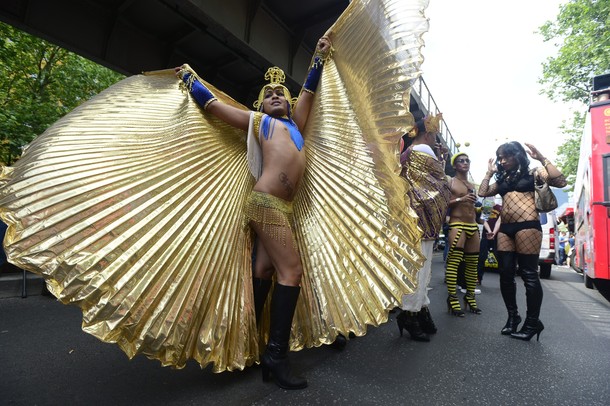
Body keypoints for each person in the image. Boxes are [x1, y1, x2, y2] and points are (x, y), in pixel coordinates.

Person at [176, 35, 332, 389]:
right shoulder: (259, 122)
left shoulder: (296, 127)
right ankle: (275, 357)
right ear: (260, 105)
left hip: (281, 208)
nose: (276, 95)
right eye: (269, 95)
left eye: (282, 94)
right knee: (292, 271)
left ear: (289, 105)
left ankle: (245, 348)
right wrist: (190, 79)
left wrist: (319, 57)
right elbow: (214, 106)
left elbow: (307, 92)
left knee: (263, 271)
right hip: (265, 203)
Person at [478, 141, 567, 341]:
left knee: (529, 274)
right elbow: (482, 192)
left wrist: (542, 157)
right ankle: (513, 317)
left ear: (517, 155)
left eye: (506, 156)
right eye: (500, 157)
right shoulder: (502, 178)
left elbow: (561, 181)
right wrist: (489, 172)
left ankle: (533, 321)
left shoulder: (534, 172)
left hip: (528, 225)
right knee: (505, 274)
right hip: (506, 228)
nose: (502, 160)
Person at [395, 113, 451, 342]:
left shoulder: (407, 153)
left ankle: (419, 309)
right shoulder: (426, 153)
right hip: (423, 217)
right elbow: (439, 186)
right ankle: (410, 313)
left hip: (409, 216)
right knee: (421, 267)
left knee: (414, 266)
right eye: (434, 134)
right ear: (428, 133)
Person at [445, 152, 481, 316]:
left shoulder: (473, 185)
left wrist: (482, 209)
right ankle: (452, 298)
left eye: (467, 160)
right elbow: (443, 202)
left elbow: (474, 207)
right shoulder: (450, 181)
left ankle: (470, 296)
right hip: (457, 223)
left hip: (472, 225)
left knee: (473, 263)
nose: (465, 163)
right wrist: (461, 199)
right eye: (461, 161)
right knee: (454, 262)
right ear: (455, 165)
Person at [477, 203, 502, 285]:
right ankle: (478, 278)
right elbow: (484, 221)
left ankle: (504, 280)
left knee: (500, 257)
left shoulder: (500, 207)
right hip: (486, 235)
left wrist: (494, 233)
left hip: (498, 236)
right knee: (481, 257)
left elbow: (499, 221)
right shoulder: (487, 206)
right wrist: (489, 232)